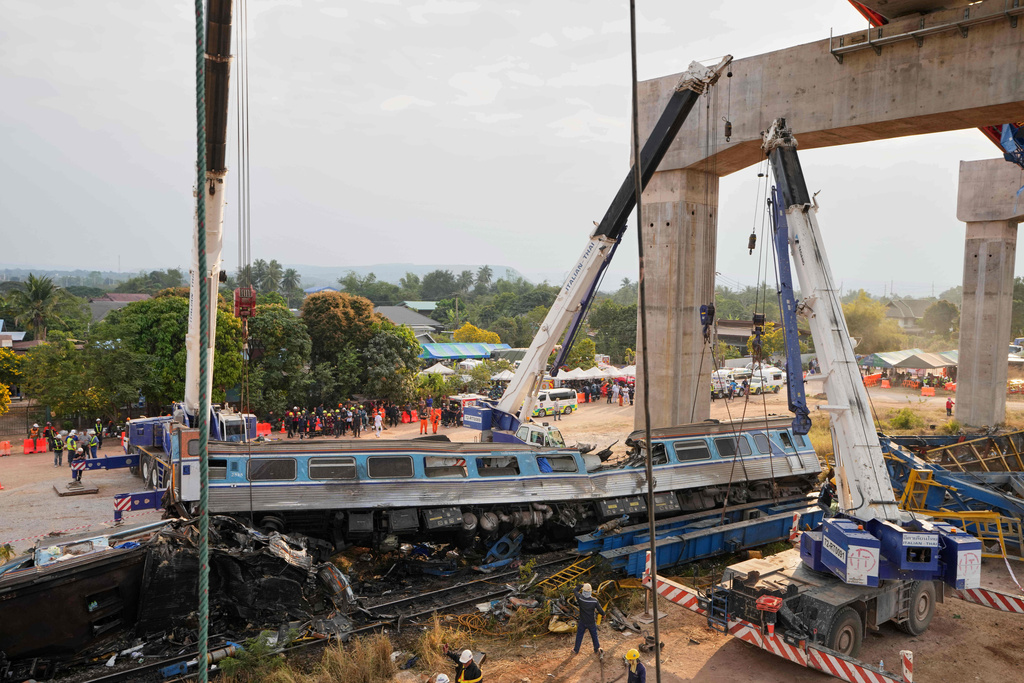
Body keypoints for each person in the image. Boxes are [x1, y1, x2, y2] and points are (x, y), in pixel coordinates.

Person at [571, 582, 604, 655]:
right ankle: (596, 649)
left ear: (583, 591)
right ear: (590, 591)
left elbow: (575, 590)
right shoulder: (594, 601)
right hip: (591, 622)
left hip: (582, 621)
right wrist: (604, 614)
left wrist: (581, 585)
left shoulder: (580, 598)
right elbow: (600, 610)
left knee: (579, 635)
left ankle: (576, 650)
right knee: (594, 636)